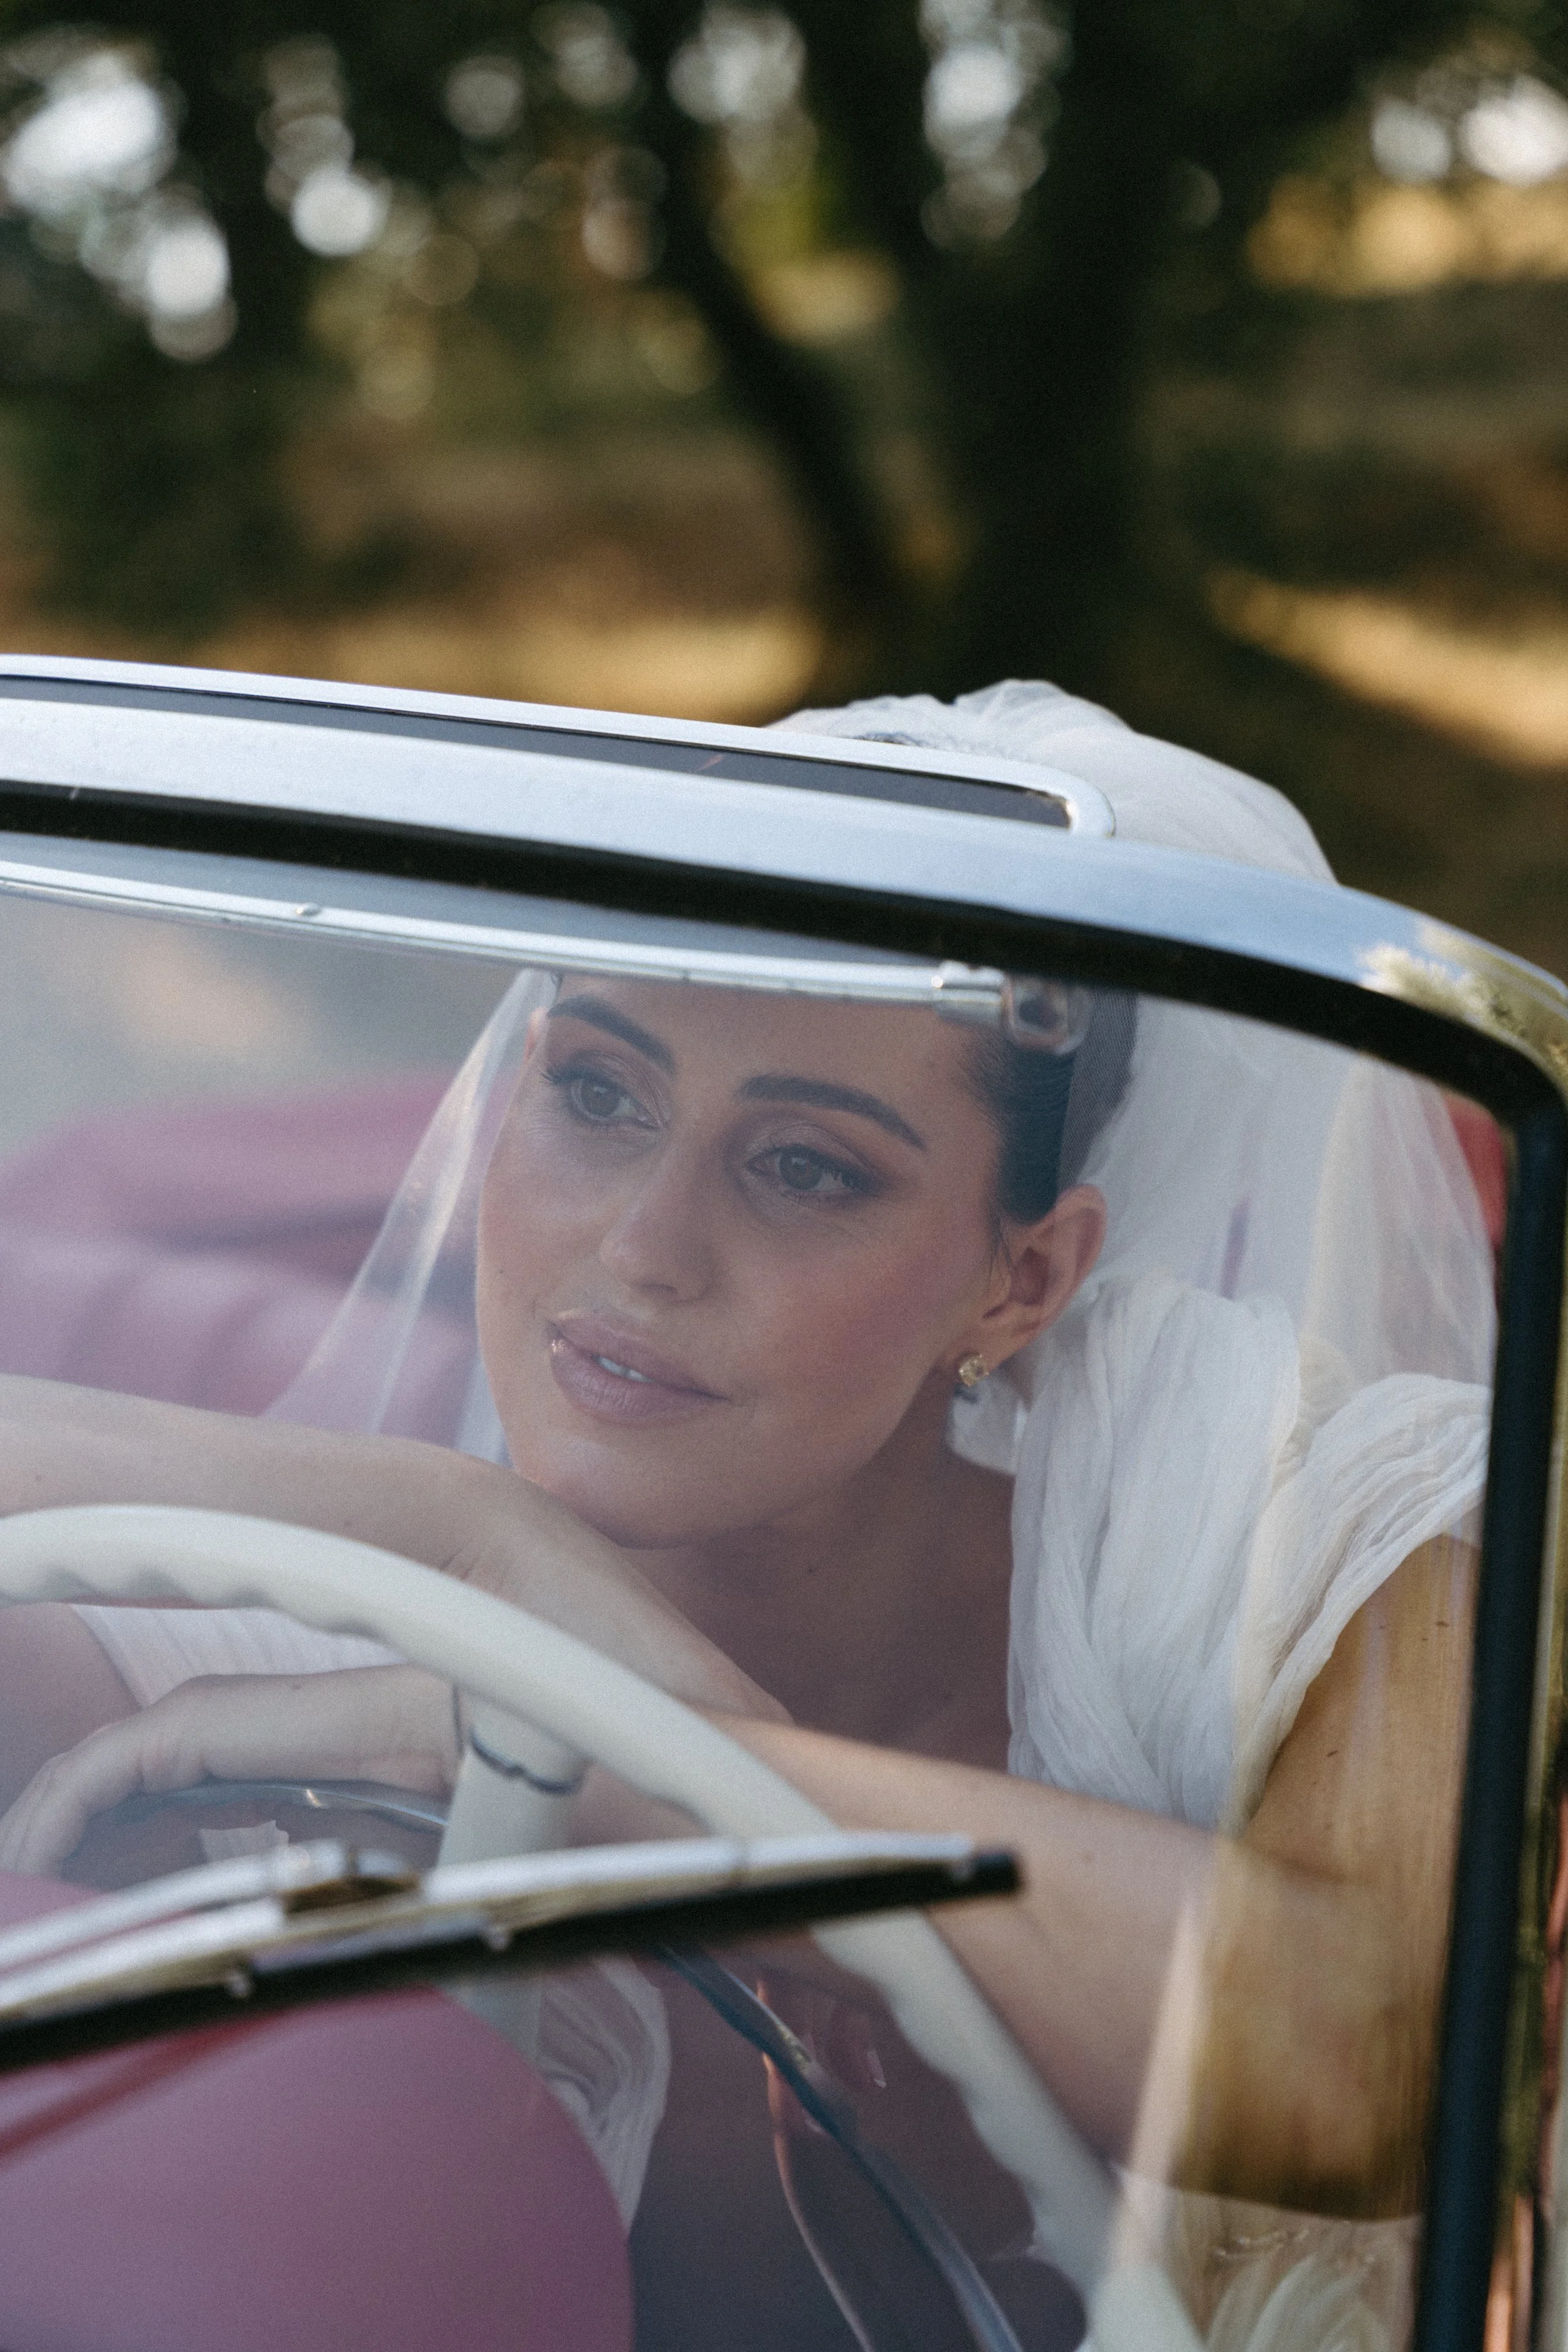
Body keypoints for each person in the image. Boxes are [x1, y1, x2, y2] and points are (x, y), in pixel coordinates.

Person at [0, 681, 1495, 2348]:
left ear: (1020, 1282)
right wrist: (464, 1523)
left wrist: (582, 1765)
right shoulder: (304, 1645)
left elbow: (1379, 2060)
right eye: (596, 1090)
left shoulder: (1258, 1528)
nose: (644, 1248)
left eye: (804, 1167)